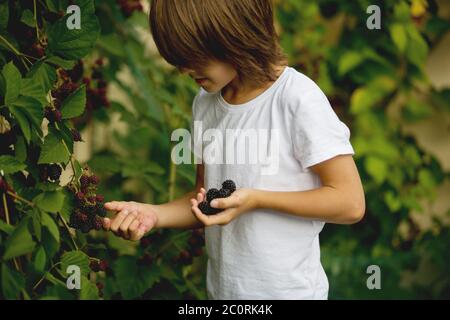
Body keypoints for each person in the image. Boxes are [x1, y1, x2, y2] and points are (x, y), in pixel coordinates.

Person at [103, 0, 366, 300]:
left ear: (231, 35)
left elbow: (350, 203)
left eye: (191, 56)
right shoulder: (205, 104)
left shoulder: (297, 99)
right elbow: (205, 197)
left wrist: (256, 199)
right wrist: (153, 215)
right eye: (177, 59)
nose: (183, 69)